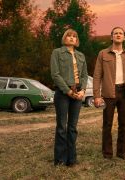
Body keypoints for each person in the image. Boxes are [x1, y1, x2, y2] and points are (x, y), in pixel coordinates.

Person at [93, 27, 125, 160]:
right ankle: (107, 153)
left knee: (123, 124)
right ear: (111, 37)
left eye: (121, 33)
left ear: (124, 37)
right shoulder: (103, 54)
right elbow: (97, 75)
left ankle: (121, 153)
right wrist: (96, 95)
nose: (118, 35)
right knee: (107, 124)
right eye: (115, 33)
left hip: (124, 92)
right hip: (108, 93)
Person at [50, 29, 88, 166]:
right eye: (69, 35)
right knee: (62, 127)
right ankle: (60, 159)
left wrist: (83, 90)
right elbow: (55, 74)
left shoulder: (81, 55)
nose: (72, 38)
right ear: (64, 38)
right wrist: (67, 91)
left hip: (78, 93)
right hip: (63, 93)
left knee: (73, 127)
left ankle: (71, 159)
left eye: (74, 36)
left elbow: (84, 75)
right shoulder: (57, 53)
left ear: (77, 40)